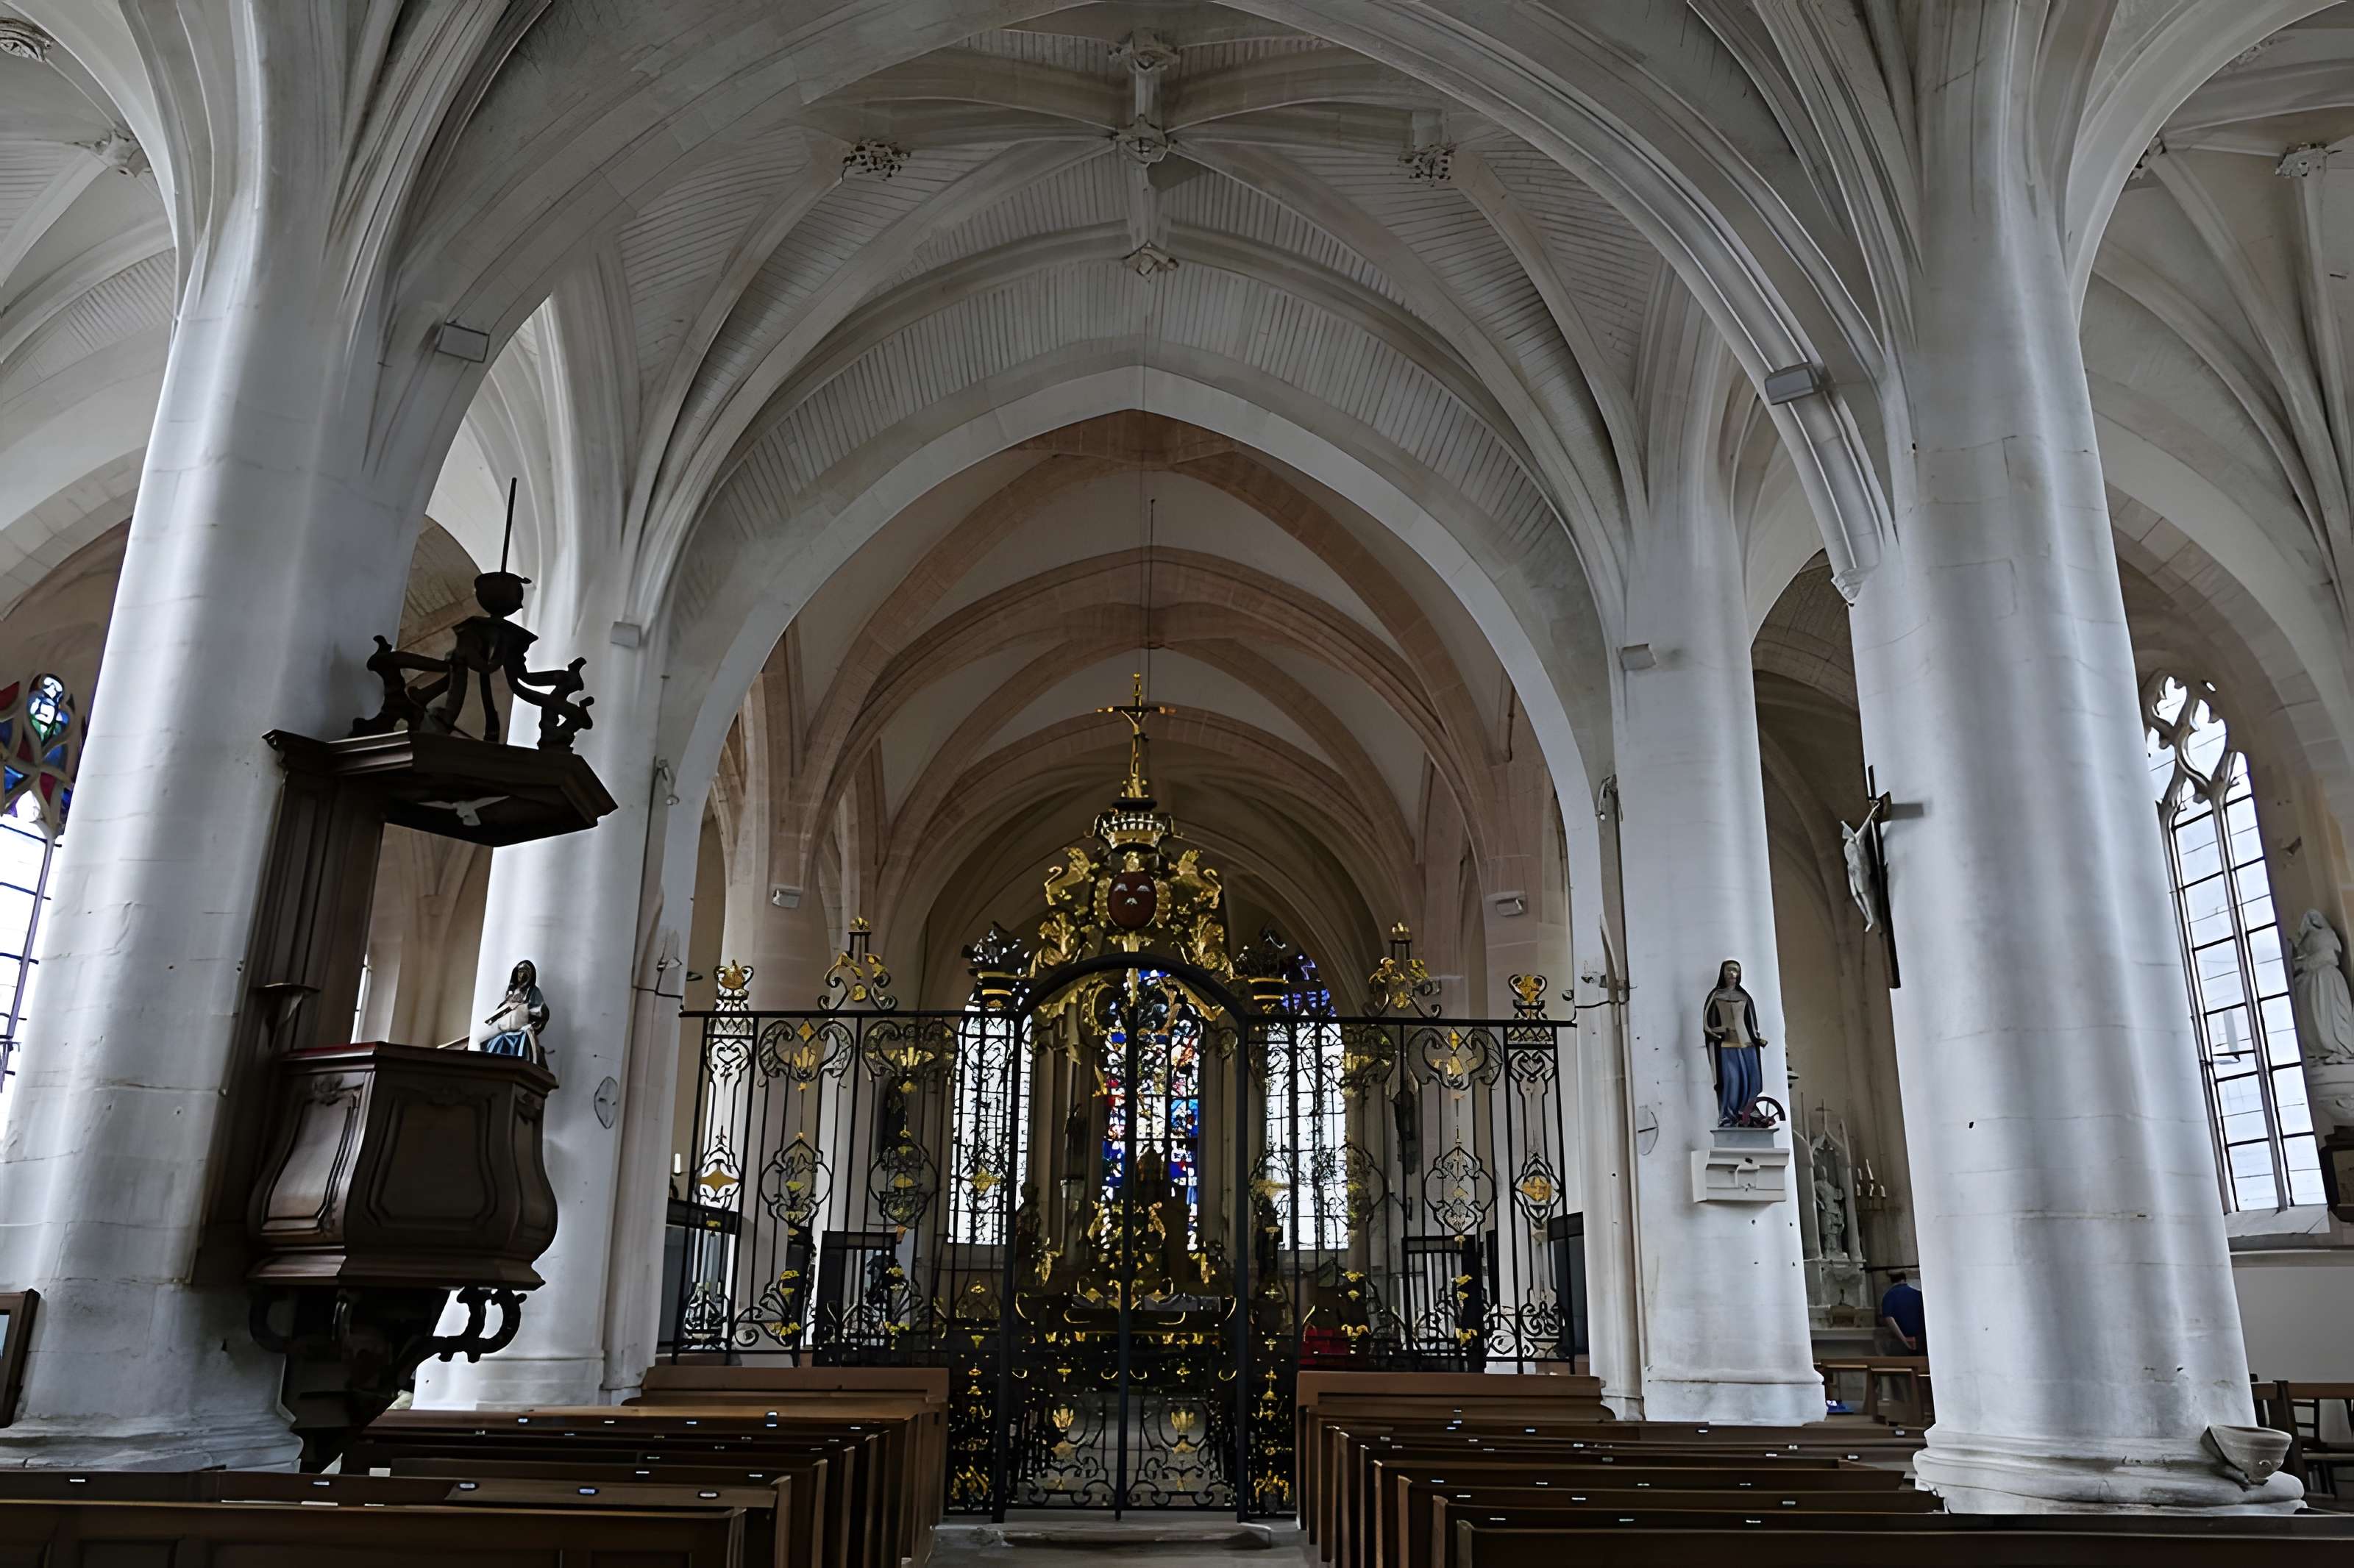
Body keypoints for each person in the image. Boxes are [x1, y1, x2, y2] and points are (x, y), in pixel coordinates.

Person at [1880, 1268, 1926, 1356]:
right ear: (1904, 1280)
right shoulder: (1919, 1294)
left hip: (1900, 1340)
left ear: (1892, 1281)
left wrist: (1904, 1339)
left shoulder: (1888, 1296)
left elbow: (1889, 1319)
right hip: (1922, 1338)